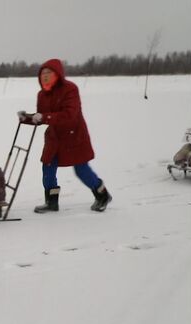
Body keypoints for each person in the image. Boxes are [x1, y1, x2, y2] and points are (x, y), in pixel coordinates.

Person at [18, 58, 112, 213]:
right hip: (55, 138)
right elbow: (42, 116)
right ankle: (51, 202)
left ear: (58, 74)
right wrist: (27, 118)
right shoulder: (42, 94)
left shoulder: (70, 89)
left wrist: (45, 117)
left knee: (81, 170)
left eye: (49, 73)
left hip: (73, 136)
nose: (45, 76)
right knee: (48, 168)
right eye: (42, 73)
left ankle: (102, 195)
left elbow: (70, 114)